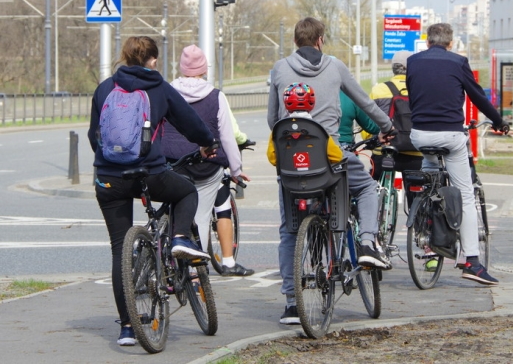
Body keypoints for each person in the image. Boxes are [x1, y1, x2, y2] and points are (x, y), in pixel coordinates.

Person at [88, 36, 216, 346]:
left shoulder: (106, 87)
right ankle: (181, 238)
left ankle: (128, 328)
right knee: (186, 192)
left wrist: (109, 163)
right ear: (153, 60)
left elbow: (95, 134)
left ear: (125, 56)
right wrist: (206, 142)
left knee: (120, 249)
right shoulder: (158, 87)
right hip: (149, 174)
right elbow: (190, 123)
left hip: (109, 177)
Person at [267, 17, 395, 325]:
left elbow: (273, 120)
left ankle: (291, 303)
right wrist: (387, 126)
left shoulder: (279, 68)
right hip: (330, 159)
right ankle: (367, 241)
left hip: (291, 164)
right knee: (365, 188)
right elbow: (365, 102)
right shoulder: (335, 66)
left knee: (289, 230)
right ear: (320, 40)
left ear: (296, 41)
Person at [406, 23, 510, 286]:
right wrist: (499, 121)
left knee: (429, 170)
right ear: (450, 43)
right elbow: (477, 97)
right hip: (451, 136)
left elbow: (416, 95)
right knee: (465, 195)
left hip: (419, 135)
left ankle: (425, 212)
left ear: (428, 42)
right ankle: (472, 262)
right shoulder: (458, 62)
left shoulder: (413, 62)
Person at [162, 44, 254, 277]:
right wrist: (236, 169)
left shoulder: (166, 91)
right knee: (201, 216)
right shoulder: (216, 96)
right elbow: (227, 136)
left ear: (181, 68)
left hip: (173, 163)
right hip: (206, 165)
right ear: (204, 69)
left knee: (172, 208)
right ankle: (194, 276)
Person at [369, 50, 422, 181]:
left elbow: (368, 122)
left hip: (384, 151)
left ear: (393, 68)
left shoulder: (379, 89)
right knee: (416, 193)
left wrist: (371, 139)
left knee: (372, 188)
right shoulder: (421, 89)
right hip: (415, 151)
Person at [267, 82, 343, 166]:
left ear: (286, 102)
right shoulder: (318, 129)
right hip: (318, 177)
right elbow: (337, 156)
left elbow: (273, 159)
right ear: (312, 103)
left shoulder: (279, 129)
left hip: (290, 177)